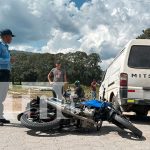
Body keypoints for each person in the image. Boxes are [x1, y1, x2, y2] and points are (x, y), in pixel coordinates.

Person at [0, 29, 15, 125]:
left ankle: (0, 116)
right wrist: (9, 60)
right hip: (0, 73)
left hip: (5, 73)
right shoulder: (0, 46)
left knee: (2, 96)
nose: (11, 39)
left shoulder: (6, 47)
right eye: (11, 36)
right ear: (6, 36)